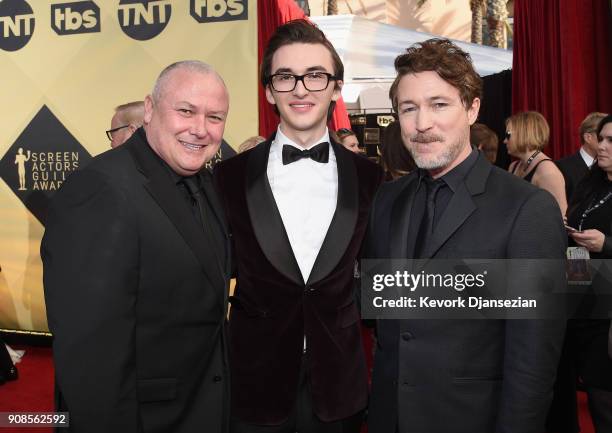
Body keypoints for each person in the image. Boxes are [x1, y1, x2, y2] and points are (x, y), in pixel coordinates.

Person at [365, 38, 567, 433]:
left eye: (439, 104)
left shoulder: (526, 209)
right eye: (409, 108)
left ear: (472, 108)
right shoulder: (386, 200)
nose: (422, 123)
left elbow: (533, 359)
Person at [41, 61, 231, 433]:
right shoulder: (100, 189)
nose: (200, 129)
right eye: (186, 111)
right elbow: (91, 357)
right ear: (149, 109)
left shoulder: (203, 181)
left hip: (197, 409)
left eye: (215, 117)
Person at [214, 19, 383, 433]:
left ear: (335, 88)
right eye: (286, 77)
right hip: (254, 384)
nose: (302, 89)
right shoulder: (227, 177)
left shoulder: (371, 178)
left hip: (339, 384)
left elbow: (379, 272)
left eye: (315, 76)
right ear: (270, 90)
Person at [562, 114, 612, 433]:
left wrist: (606, 243)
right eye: (602, 138)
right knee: (593, 398)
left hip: (608, 315)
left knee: (604, 398)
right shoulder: (592, 183)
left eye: (610, 141)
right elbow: (576, 236)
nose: (602, 145)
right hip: (583, 304)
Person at [506, 111, 568, 215]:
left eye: (508, 135)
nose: (504, 141)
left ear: (524, 133)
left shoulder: (547, 171)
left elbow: (560, 216)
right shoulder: (513, 166)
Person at [556, 112, 608, 203]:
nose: (607, 143)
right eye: (602, 137)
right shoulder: (561, 168)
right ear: (588, 138)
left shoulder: (609, 165)